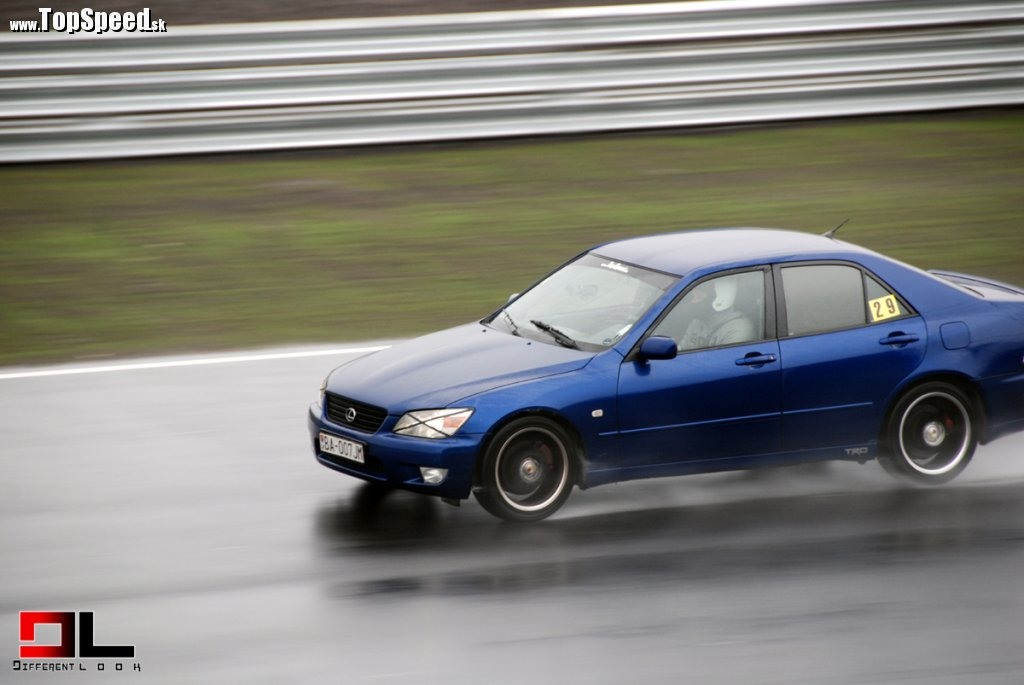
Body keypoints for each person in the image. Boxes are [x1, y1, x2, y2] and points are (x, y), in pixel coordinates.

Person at [678, 276, 755, 350]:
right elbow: (680, 350)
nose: (692, 302)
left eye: (698, 297)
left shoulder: (739, 329)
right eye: (693, 297)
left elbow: (722, 361)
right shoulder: (698, 321)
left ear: (720, 299)